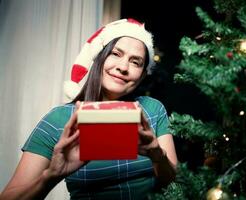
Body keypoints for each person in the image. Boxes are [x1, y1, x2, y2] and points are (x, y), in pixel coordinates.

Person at [0, 18, 177, 200]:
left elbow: (173, 182)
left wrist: (158, 156)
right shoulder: (59, 120)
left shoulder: (152, 109)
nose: (123, 67)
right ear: (99, 58)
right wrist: (51, 176)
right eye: (116, 54)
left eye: (136, 62)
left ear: (141, 76)